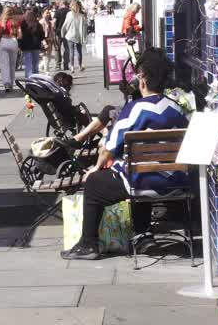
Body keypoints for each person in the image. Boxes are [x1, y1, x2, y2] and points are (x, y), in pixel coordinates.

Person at [60, 48, 190, 261]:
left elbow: (108, 147)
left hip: (140, 182)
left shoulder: (135, 109)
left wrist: (95, 168)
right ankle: (143, 235)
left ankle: (88, 244)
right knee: (141, 169)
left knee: (95, 183)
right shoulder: (177, 109)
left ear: (143, 81)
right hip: (174, 183)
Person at [0, 7, 22, 93]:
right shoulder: (16, 22)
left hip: (4, 41)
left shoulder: (0, 22)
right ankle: (12, 83)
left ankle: (7, 84)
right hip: (13, 41)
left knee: (4, 64)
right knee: (12, 65)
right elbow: (20, 35)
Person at [61, 0, 88, 72]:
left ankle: (72, 66)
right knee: (79, 51)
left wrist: (63, 32)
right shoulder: (81, 15)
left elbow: (66, 25)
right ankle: (79, 65)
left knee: (71, 51)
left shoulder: (69, 14)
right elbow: (85, 26)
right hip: (78, 35)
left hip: (70, 35)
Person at [18, 7, 45, 79]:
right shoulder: (37, 24)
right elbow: (42, 36)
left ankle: (29, 80)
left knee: (28, 65)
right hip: (35, 46)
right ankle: (35, 80)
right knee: (35, 65)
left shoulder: (22, 24)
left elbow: (20, 36)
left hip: (26, 47)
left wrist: (20, 45)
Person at [39, 7, 58, 71]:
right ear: (42, 14)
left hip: (50, 41)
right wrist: (44, 43)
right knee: (45, 56)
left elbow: (52, 33)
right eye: (46, 13)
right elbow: (40, 35)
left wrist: (54, 43)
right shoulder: (41, 23)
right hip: (43, 41)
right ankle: (46, 70)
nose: (48, 14)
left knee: (48, 57)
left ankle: (41, 66)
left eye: (49, 13)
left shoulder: (50, 22)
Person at [53, 0, 70, 70]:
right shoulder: (69, 11)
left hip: (58, 32)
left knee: (57, 49)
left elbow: (54, 22)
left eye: (59, 3)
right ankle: (66, 65)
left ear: (62, 4)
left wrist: (53, 29)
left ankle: (58, 65)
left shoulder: (57, 11)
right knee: (67, 49)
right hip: (67, 32)